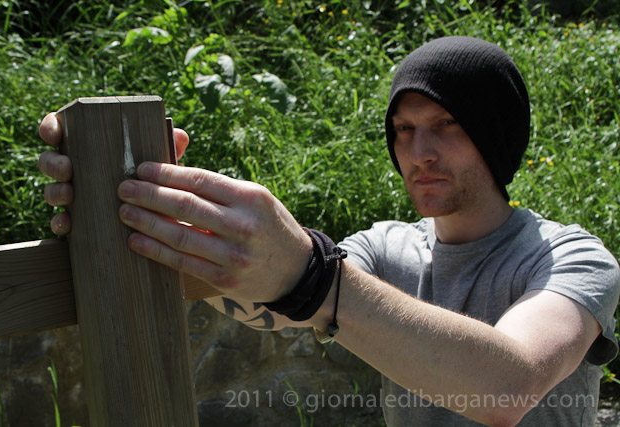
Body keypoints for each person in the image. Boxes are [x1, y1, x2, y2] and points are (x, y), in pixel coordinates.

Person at [38, 36, 619, 426]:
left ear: (495, 134)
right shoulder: (384, 248)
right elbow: (278, 303)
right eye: (403, 128)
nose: (419, 151)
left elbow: (510, 387)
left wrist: (314, 275)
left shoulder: (572, 258)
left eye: (446, 124)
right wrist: (147, 214)